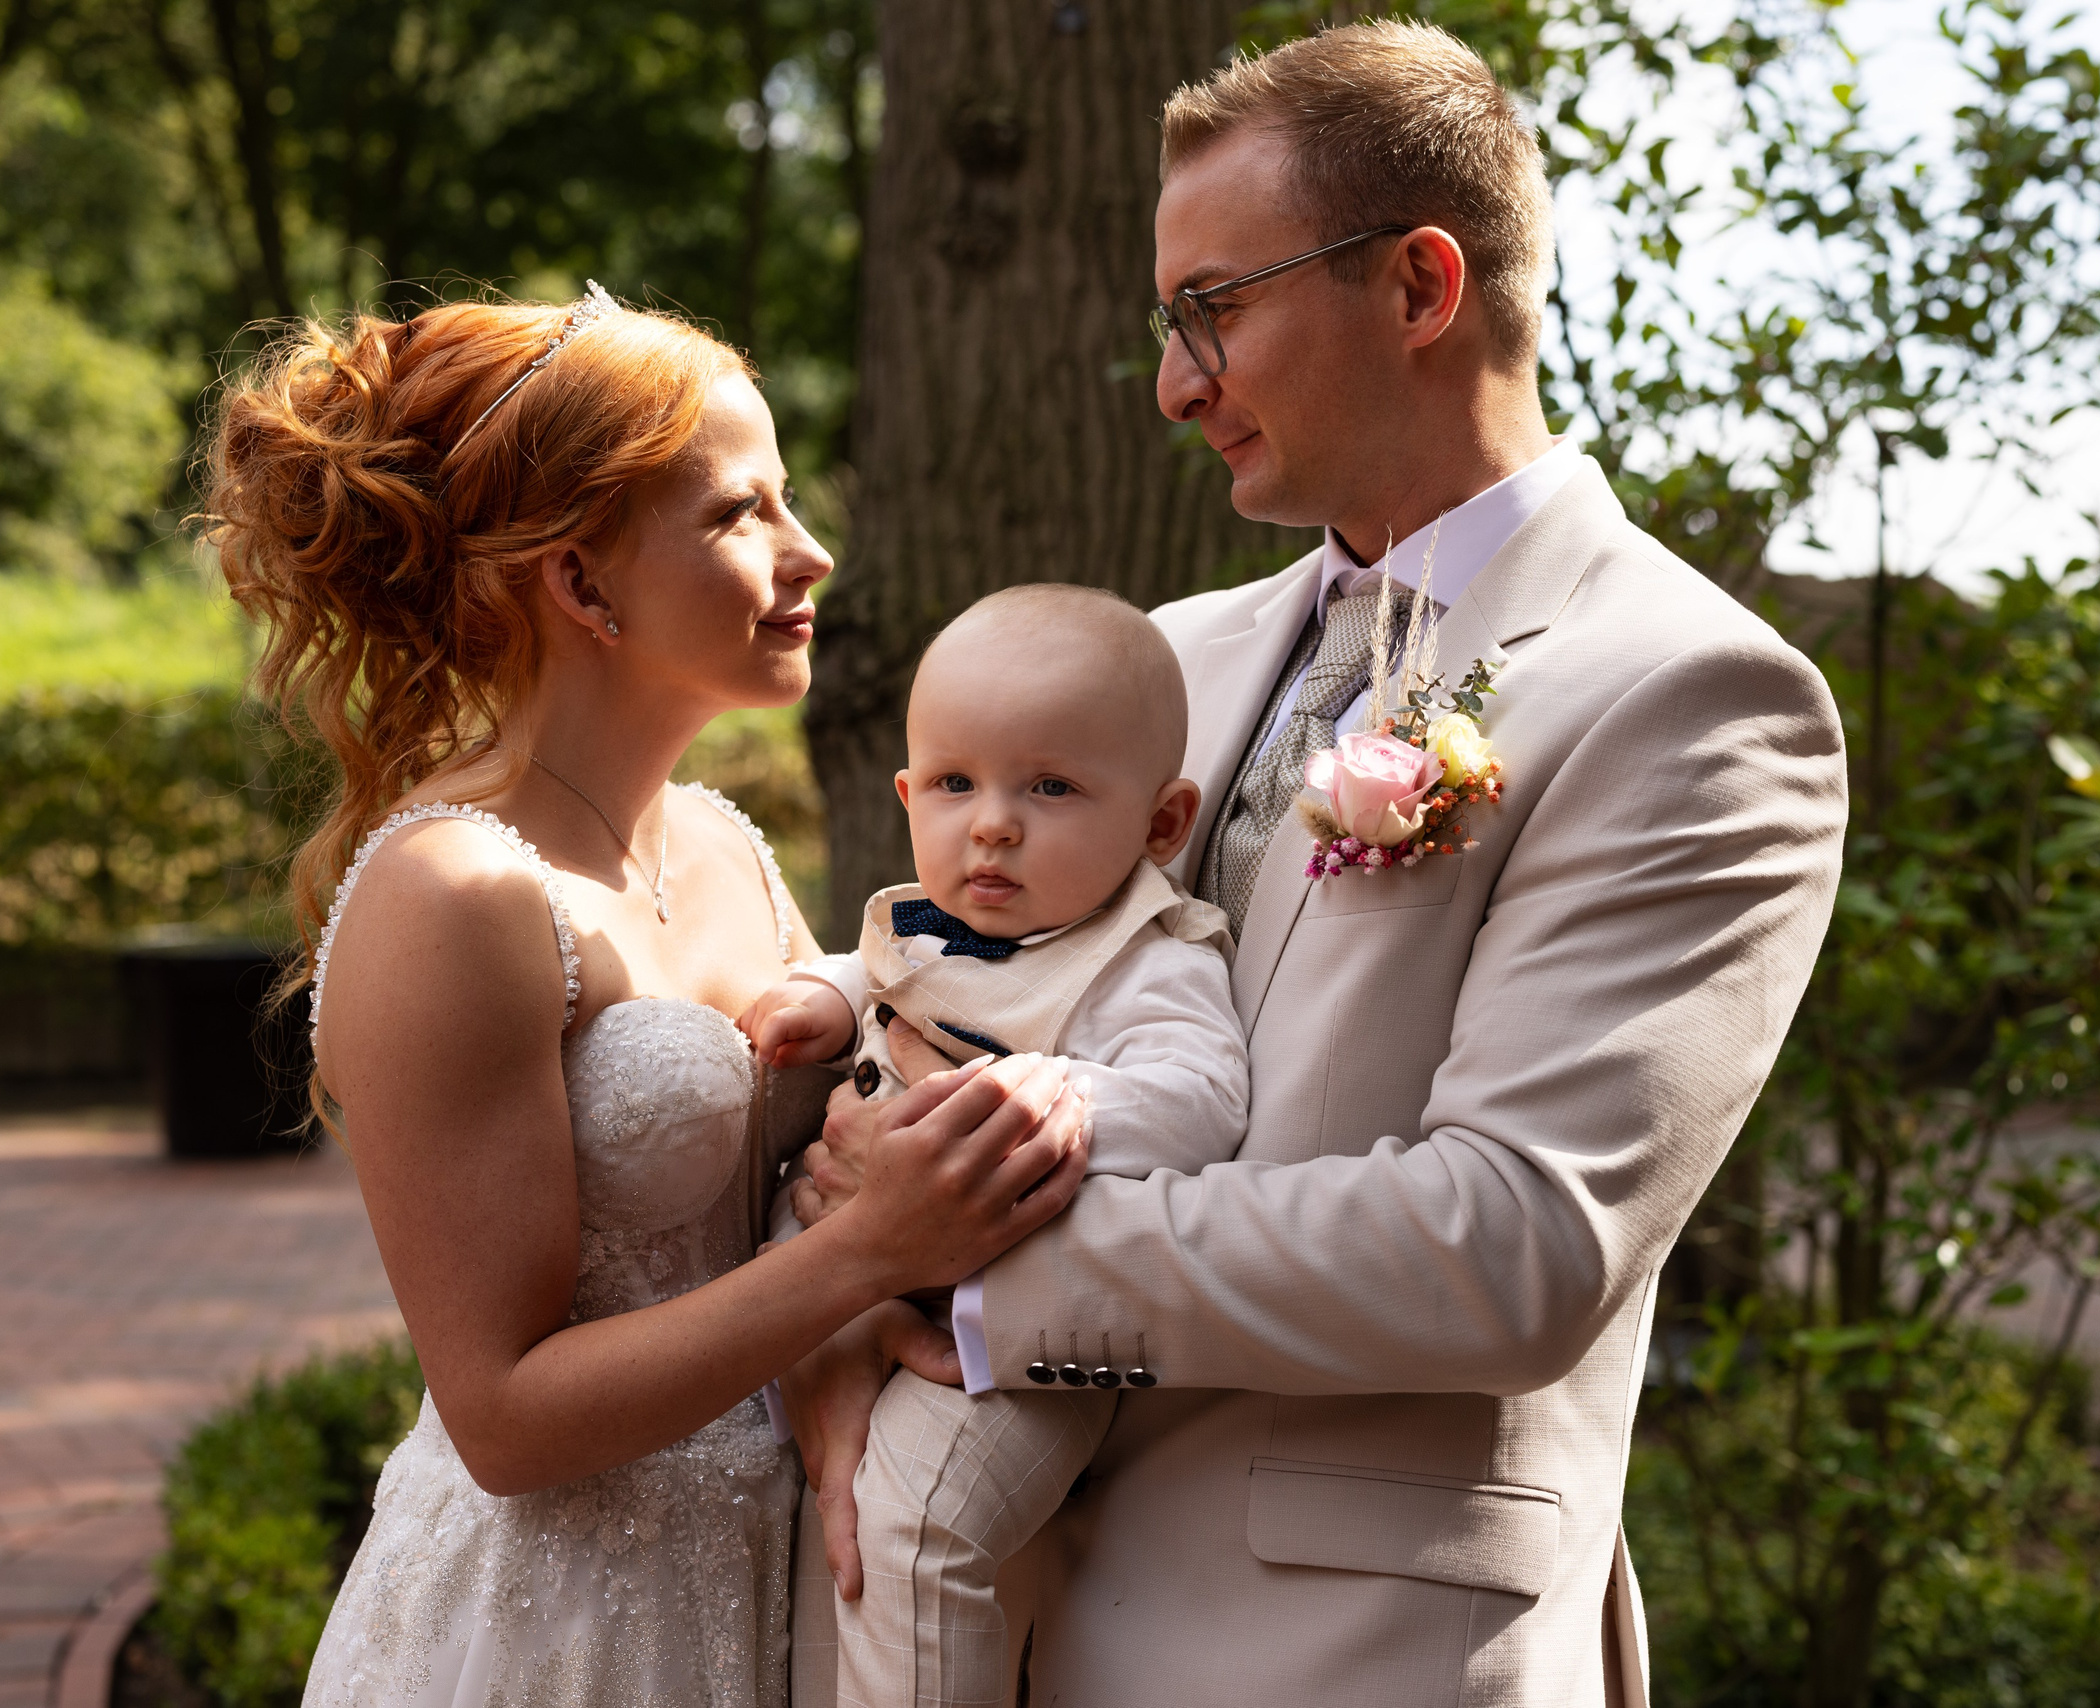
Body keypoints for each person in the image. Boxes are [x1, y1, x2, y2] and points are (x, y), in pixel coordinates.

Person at [780, 23, 1850, 1706]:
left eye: (1214, 308)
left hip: (1350, 1652)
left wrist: (950, 1264)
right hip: (995, 1621)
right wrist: (828, 1312)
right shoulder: (1159, 662)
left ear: (1421, 286)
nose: (1174, 381)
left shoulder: (1689, 693)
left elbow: (1512, 1238)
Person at [198, 286, 1092, 1708]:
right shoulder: (458, 895)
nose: (812, 554)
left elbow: (805, 1176)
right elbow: (500, 1417)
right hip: (549, 1630)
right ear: (582, 581)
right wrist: (855, 1264)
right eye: (741, 515)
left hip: (767, 1590)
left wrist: (851, 1319)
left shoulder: (726, 844)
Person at [748, 584, 1248, 1707]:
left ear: (1165, 823)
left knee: (913, 1535)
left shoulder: (1148, 957)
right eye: (955, 784)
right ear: (907, 793)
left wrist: (1044, 1096)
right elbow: (878, 975)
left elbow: (1200, 1097)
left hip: (1010, 1341)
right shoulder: (927, 923)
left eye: (1051, 787)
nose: (992, 824)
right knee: (829, 1551)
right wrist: (827, 998)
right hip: (844, 1298)